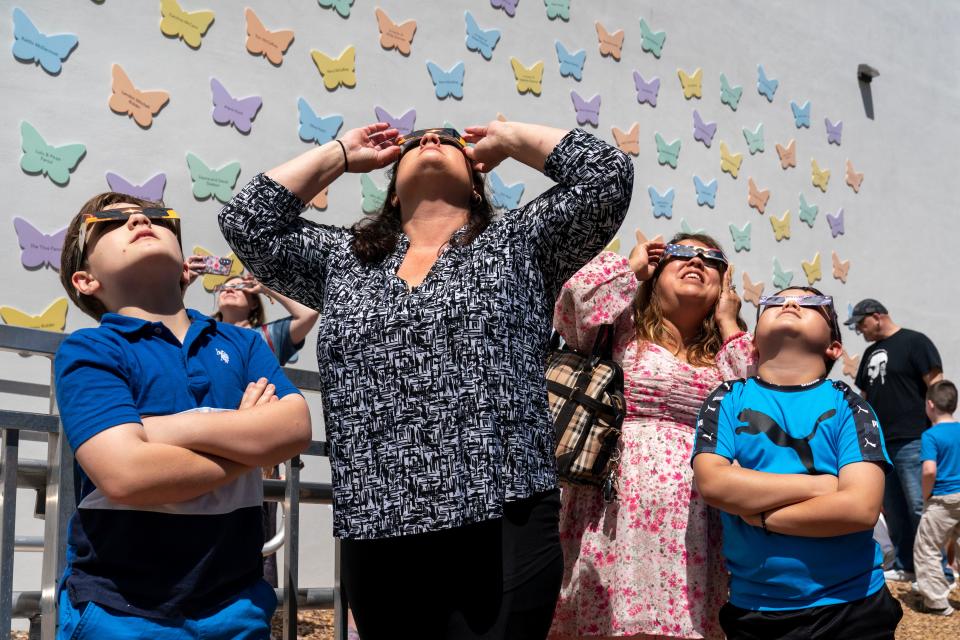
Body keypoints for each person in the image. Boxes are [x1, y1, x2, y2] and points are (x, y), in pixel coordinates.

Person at [218, 122, 633, 639]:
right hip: (377, 513)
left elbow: (606, 178)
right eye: (414, 142)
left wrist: (507, 138)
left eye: (451, 140)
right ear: (391, 191)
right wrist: (342, 154)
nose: (431, 141)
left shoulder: (520, 243)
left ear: (478, 181)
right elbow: (246, 220)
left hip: (503, 512)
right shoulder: (344, 259)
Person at [54, 193, 312, 639]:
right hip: (119, 612)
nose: (139, 219)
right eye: (110, 222)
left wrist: (159, 430)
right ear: (86, 279)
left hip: (239, 607)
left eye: (156, 215)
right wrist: (247, 444)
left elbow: (294, 428)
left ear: (183, 264)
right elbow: (127, 475)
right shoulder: (89, 349)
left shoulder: (244, 343)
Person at [549, 232, 753, 640]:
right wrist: (628, 268)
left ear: (724, 284)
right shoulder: (621, 328)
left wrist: (730, 325)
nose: (696, 261)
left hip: (696, 518)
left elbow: (756, 409)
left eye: (711, 259)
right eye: (681, 253)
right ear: (656, 271)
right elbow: (573, 306)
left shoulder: (727, 350)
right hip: (611, 505)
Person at [693, 287, 903, 640]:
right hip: (757, 609)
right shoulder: (727, 398)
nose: (790, 303)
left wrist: (761, 516)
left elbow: (859, 508)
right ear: (754, 343)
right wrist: (822, 485)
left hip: (854, 604)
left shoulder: (851, 406)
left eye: (811, 303)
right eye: (775, 302)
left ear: (834, 346)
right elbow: (714, 484)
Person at [846, 298, 944, 581]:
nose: (860, 332)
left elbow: (936, 384)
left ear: (877, 317)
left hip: (914, 438)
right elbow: (864, 398)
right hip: (881, 444)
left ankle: (937, 571)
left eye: (861, 324)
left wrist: (938, 428)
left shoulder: (915, 342)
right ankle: (906, 566)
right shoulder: (869, 354)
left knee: (918, 505)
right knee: (895, 509)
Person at [185, 264, 319, 366]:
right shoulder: (202, 332)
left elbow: (309, 314)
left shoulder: (270, 335)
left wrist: (267, 288)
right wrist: (183, 283)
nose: (230, 289)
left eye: (239, 287)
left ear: (254, 303)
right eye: (224, 288)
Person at [914, 380, 960, 615]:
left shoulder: (930, 436)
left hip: (942, 498)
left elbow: (929, 470)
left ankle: (937, 603)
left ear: (930, 405)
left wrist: (926, 495)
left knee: (928, 547)